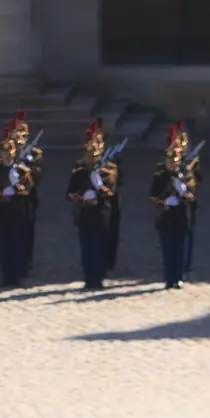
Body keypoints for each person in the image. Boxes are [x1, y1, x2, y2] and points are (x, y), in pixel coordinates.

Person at [0, 114, 39, 288]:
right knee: (3, 247)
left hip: (18, 211)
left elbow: (28, 188)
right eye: (5, 152)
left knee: (17, 245)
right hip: (1, 211)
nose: (7, 156)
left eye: (10, 153)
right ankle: (6, 276)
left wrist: (15, 190)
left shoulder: (22, 170)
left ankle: (18, 274)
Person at [67, 122, 117, 291]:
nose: (91, 159)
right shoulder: (79, 174)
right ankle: (89, 278)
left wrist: (100, 188)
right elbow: (70, 193)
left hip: (100, 214)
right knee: (86, 249)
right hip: (83, 214)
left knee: (99, 248)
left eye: (94, 156)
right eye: (89, 156)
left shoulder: (106, 173)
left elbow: (110, 192)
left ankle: (99, 277)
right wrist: (81, 198)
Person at [149, 124, 199, 288]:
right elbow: (153, 196)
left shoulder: (186, 176)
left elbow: (192, 196)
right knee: (167, 249)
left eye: (175, 161)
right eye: (170, 161)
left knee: (180, 249)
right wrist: (164, 201)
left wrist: (183, 193)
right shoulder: (160, 176)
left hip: (182, 216)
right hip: (165, 216)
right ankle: (168, 277)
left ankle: (178, 277)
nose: (173, 164)